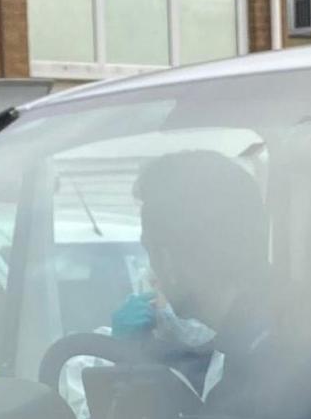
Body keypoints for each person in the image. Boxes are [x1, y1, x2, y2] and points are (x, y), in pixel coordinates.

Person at [108, 149, 272, 399]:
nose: (152, 274)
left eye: (150, 249)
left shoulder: (256, 363)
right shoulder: (258, 338)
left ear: (168, 260)